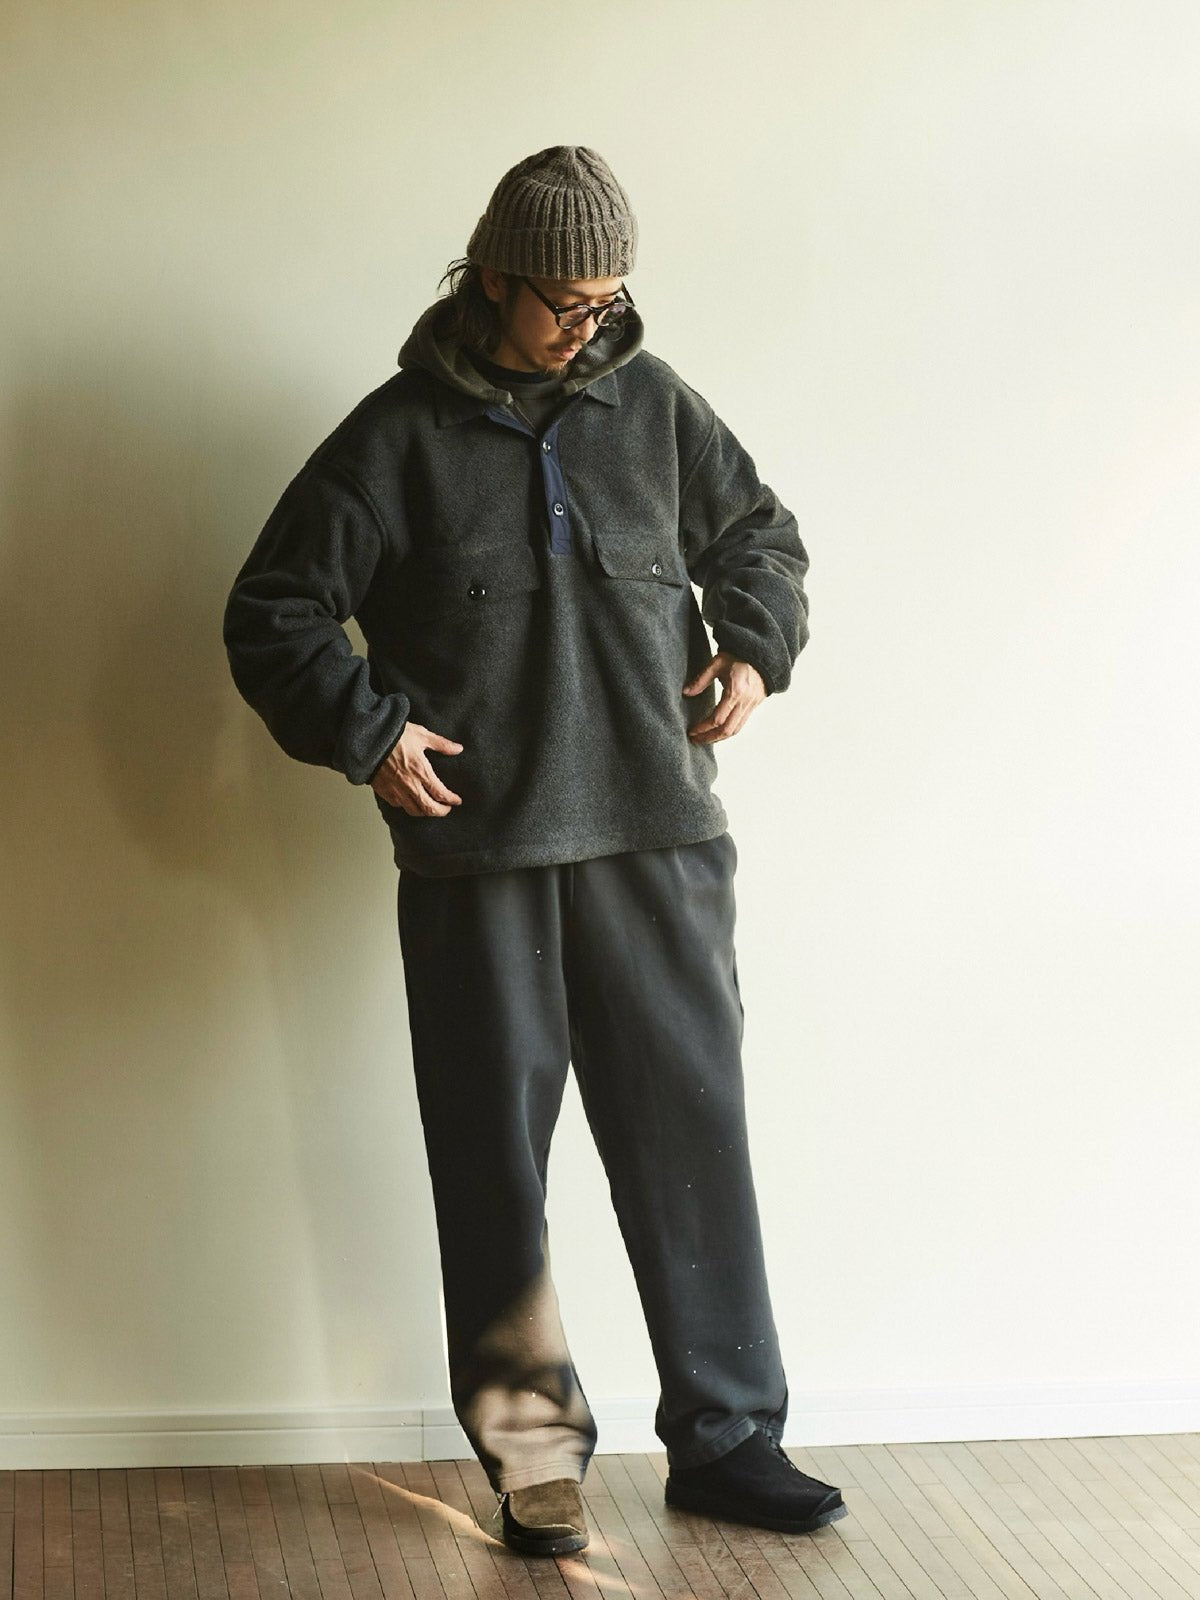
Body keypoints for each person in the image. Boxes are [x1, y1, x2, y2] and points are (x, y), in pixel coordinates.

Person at [223, 144, 846, 1556]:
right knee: (493, 1159)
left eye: (610, 299)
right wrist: (371, 732)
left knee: (693, 1138)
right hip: (478, 858)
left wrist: (755, 645)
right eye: (568, 301)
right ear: (494, 278)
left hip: (660, 838)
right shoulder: (393, 439)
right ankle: (532, 1457)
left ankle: (731, 1437)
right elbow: (274, 609)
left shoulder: (657, 406)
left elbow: (764, 539)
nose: (591, 324)